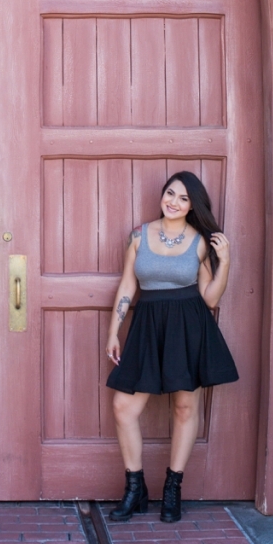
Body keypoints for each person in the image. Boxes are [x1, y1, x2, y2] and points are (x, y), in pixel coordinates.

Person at [105, 171, 238, 524]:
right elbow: (127, 286)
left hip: (188, 328)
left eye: (183, 198)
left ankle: (172, 490)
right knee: (123, 406)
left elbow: (210, 298)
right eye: (170, 193)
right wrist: (114, 331)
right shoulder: (139, 235)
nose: (174, 202)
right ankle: (135, 490)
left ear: (193, 206)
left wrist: (225, 262)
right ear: (162, 195)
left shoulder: (199, 241)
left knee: (184, 407)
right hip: (147, 327)